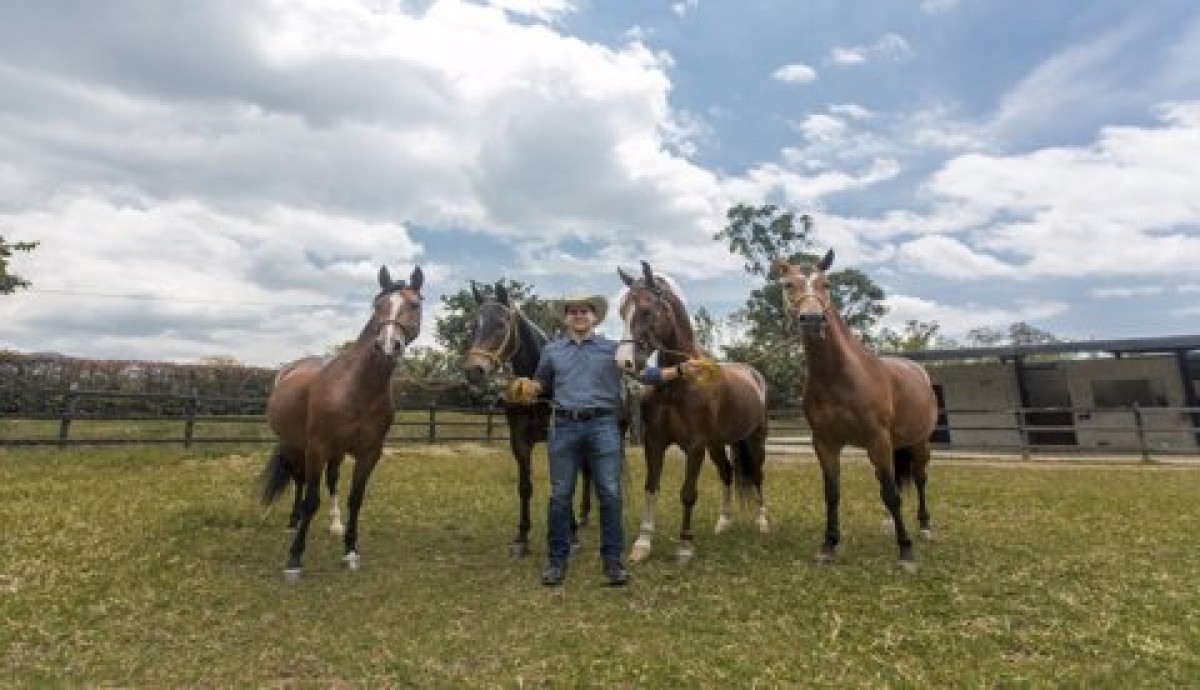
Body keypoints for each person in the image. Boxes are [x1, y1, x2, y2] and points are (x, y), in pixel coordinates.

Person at [512, 292, 699, 587]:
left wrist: (677, 370)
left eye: (584, 311)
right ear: (566, 317)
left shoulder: (613, 349)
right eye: (573, 311)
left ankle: (613, 562)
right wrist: (527, 387)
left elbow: (645, 373)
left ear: (594, 317)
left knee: (610, 495)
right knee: (560, 496)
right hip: (563, 426)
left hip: (603, 426)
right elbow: (542, 383)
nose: (579, 315)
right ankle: (556, 561)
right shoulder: (552, 351)